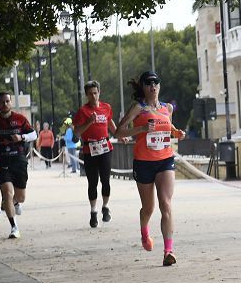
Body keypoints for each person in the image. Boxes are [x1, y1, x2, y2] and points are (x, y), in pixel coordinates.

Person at [116, 71, 186, 266]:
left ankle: (168, 251)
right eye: (148, 83)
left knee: (166, 204)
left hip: (165, 160)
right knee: (148, 208)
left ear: (159, 86)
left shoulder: (167, 108)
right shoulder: (138, 108)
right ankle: (144, 232)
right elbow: (119, 131)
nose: (153, 86)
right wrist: (141, 129)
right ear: (143, 87)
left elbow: (169, 128)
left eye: (156, 82)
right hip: (144, 162)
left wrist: (177, 133)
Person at [0, 93, 36, 238]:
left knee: (21, 197)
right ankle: (14, 227)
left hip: (19, 160)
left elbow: (34, 135)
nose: (5, 104)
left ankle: (15, 202)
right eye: (2, 102)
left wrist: (22, 137)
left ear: (11, 102)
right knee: (7, 193)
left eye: (7, 101)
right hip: (2, 161)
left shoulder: (20, 119)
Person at [74, 81, 118, 228]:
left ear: (99, 92)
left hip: (105, 147)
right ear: (86, 95)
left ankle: (105, 207)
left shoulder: (106, 107)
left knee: (106, 180)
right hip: (90, 150)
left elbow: (110, 123)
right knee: (92, 182)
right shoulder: (83, 111)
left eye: (95, 93)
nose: (93, 96)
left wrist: (119, 135)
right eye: (90, 94)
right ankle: (93, 211)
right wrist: (89, 122)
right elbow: (77, 133)